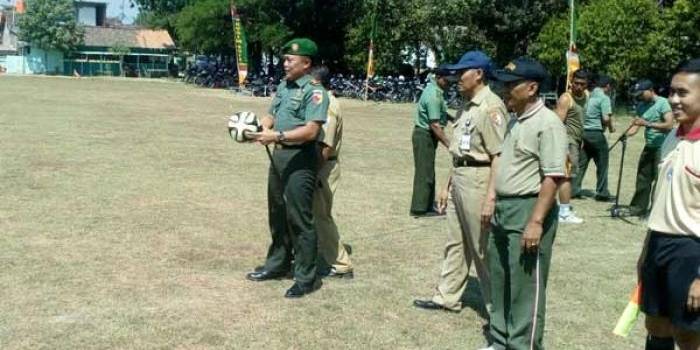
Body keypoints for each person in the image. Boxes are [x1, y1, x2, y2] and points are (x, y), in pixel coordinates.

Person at [481, 57, 568, 350]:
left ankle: (522, 345)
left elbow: (553, 176)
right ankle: (501, 339)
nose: (505, 90)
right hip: (504, 209)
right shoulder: (515, 121)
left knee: (525, 287)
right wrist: (492, 199)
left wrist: (536, 221)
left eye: (511, 85)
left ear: (532, 88)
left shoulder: (548, 123)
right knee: (501, 277)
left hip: (528, 208)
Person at [413, 51, 507, 314]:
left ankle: (497, 310)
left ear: (479, 73)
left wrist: (491, 197)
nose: (456, 78)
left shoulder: (491, 107)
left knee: (482, 247)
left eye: (462, 72)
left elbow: (498, 156)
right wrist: (447, 184)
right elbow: (458, 151)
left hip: (480, 179)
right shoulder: (466, 105)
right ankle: (447, 296)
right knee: (456, 242)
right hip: (461, 176)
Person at [246, 38, 329, 299]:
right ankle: (277, 264)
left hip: (301, 159)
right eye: (284, 59)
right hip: (279, 157)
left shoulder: (315, 92)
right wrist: (260, 127)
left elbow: (311, 130)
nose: (284, 64)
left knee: (299, 218)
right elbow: (272, 114)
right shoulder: (284, 86)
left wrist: (276, 136)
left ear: (306, 64)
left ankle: (306, 277)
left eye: (289, 60)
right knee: (278, 212)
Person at [637, 58, 700, 350]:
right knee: (655, 325)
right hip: (658, 242)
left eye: (683, 93)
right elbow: (662, 201)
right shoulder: (673, 136)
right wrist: (646, 251)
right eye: (672, 91)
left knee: (688, 334)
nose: (673, 99)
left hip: (691, 251)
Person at [309, 65, 354, 278]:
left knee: (321, 216)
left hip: (322, 166)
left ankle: (341, 264)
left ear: (316, 82)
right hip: (322, 165)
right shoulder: (323, 102)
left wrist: (313, 172)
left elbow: (325, 147)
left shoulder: (326, 105)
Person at [625, 79, 674, 218]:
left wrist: (647, 123)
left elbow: (669, 124)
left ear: (651, 90)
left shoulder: (663, 103)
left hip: (663, 147)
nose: (639, 96)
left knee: (659, 181)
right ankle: (637, 209)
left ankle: (655, 212)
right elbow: (636, 125)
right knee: (642, 178)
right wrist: (626, 134)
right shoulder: (641, 105)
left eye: (641, 93)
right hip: (650, 146)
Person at [410, 66, 452, 217]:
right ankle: (419, 209)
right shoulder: (433, 94)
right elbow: (434, 125)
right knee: (424, 172)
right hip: (425, 135)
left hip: (427, 136)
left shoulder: (436, 91)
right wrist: (449, 144)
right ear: (439, 78)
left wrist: (453, 119)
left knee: (428, 171)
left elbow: (441, 112)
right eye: (448, 81)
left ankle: (427, 205)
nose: (450, 84)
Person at [553, 69, 589, 224]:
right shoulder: (566, 99)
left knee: (568, 176)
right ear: (571, 82)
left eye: (582, 84)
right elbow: (557, 123)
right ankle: (564, 212)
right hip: (566, 141)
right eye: (576, 83)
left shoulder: (587, 96)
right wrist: (564, 146)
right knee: (566, 177)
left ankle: (561, 208)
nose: (578, 87)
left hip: (576, 140)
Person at [575, 75, 615, 201]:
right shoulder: (604, 98)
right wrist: (611, 128)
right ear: (607, 86)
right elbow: (606, 118)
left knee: (582, 163)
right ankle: (602, 192)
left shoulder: (588, 96)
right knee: (602, 163)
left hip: (584, 132)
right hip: (596, 133)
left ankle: (573, 189)